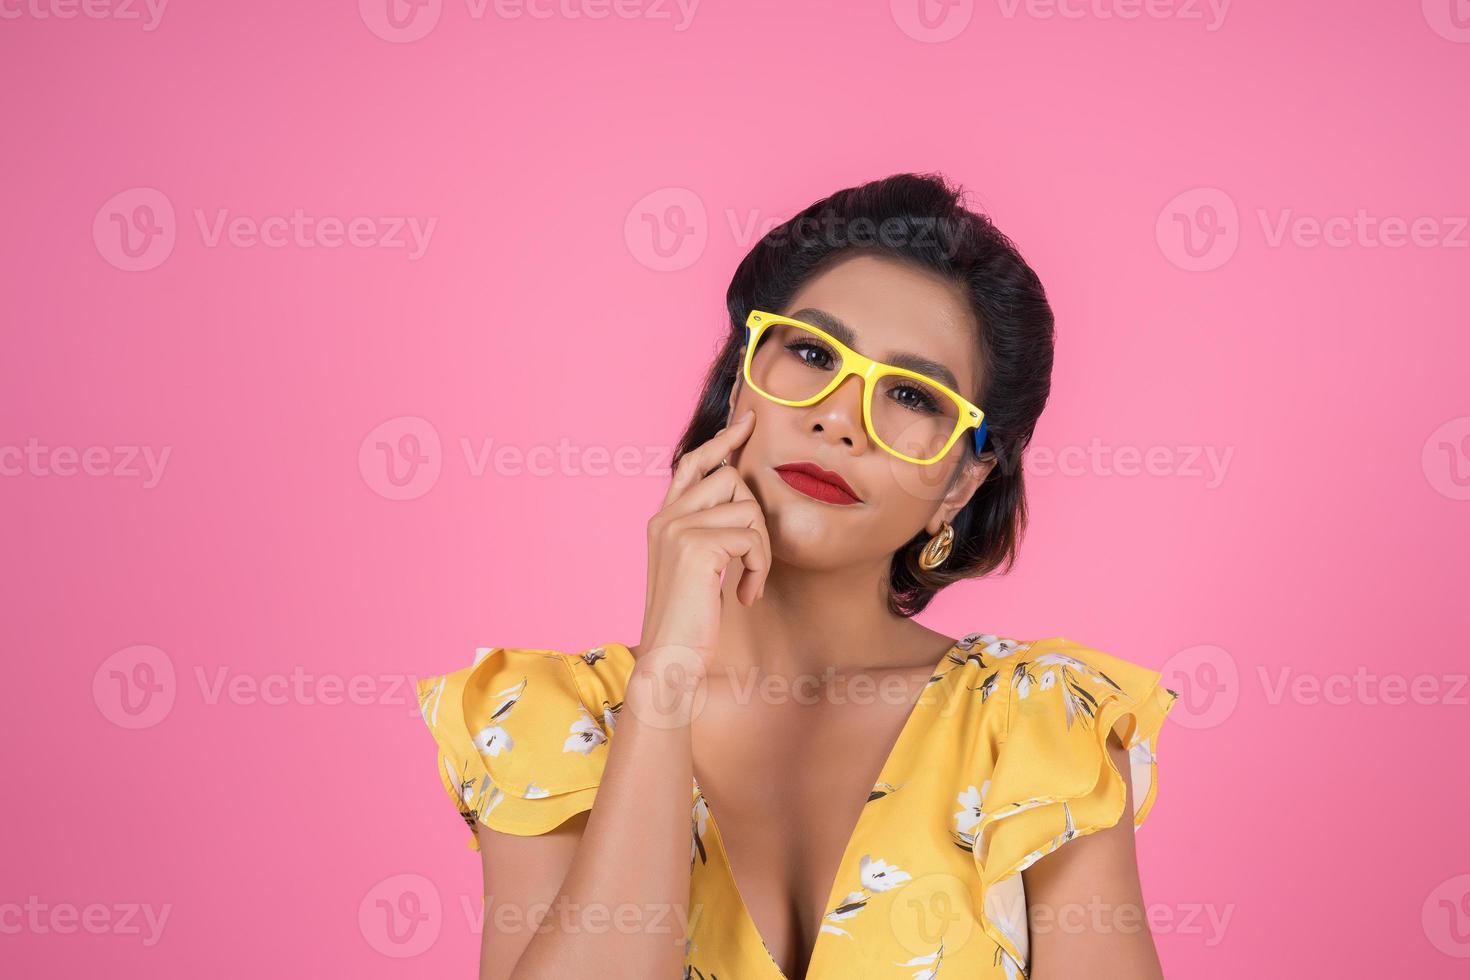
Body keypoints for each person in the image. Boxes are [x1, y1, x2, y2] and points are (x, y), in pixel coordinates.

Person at [414, 172, 1180, 980]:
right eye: (813, 353)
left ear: (960, 483)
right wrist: (666, 678)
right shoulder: (546, 722)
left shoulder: (1042, 728)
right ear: (738, 378)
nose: (840, 419)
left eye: (913, 397)